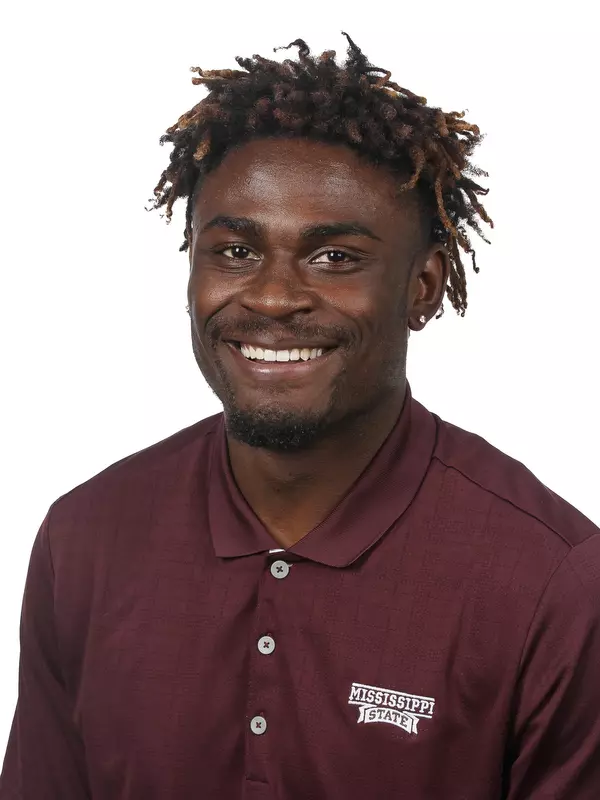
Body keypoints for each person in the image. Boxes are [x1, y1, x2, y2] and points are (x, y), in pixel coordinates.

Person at [1, 32, 599, 800]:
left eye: (335, 258)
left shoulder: (551, 581)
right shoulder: (84, 538)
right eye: (235, 252)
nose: (274, 298)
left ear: (423, 287)